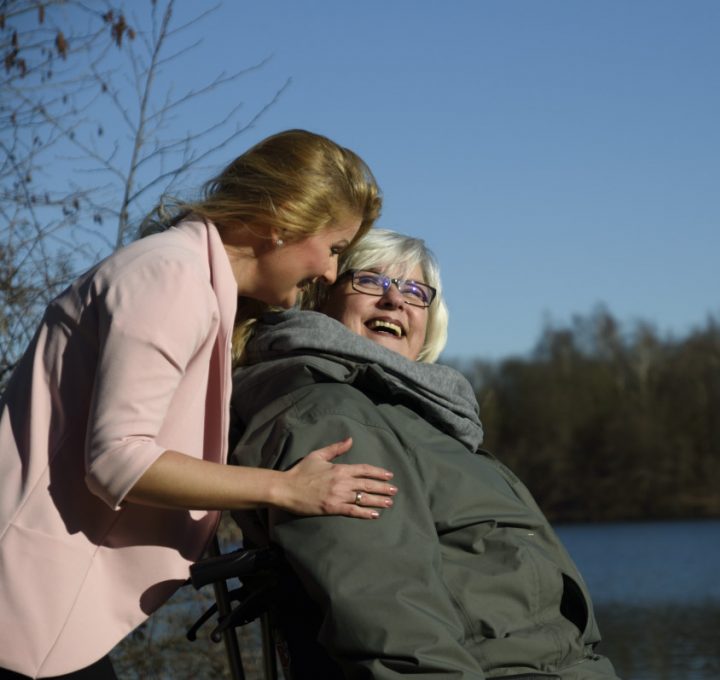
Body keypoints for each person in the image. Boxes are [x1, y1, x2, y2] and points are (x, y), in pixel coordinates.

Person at [0, 130, 399, 679]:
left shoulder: (189, 280)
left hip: (37, 603)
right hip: (24, 609)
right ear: (281, 218)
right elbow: (119, 459)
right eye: (333, 249)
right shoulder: (172, 276)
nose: (330, 272)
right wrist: (285, 487)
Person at [229, 229, 620, 679]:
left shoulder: (423, 420)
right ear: (319, 297)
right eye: (370, 281)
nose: (395, 301)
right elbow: (386, 618)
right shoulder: (334, 414)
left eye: (415, 291)